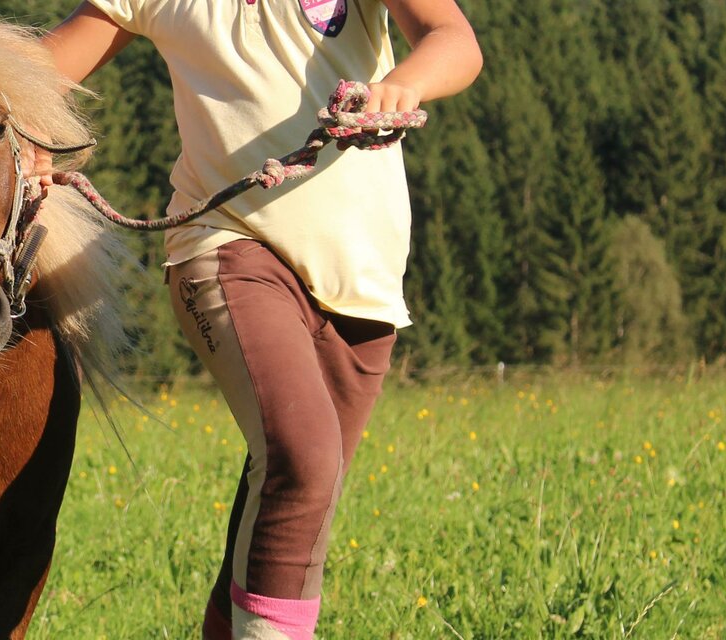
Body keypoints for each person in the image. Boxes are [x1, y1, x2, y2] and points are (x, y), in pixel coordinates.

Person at [30, 1, 481, 638]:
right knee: (305, 459)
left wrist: (403, 82)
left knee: (288, 500)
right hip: (223, 245)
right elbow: (25, 75)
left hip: (364, 283)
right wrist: (25, 129)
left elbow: (454, 38)